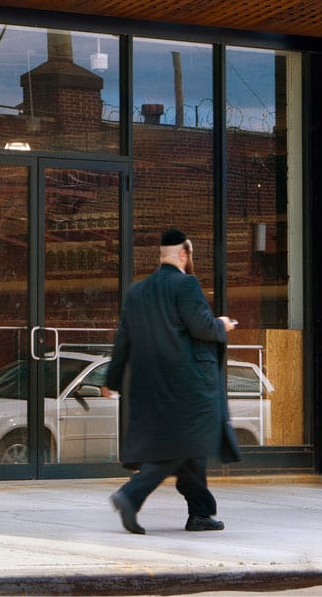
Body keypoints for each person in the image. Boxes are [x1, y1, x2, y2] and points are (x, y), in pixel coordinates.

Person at [104, 229, 240, 535]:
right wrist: (222, 324)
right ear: (184, 254)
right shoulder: (187, 284)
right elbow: (201, 328)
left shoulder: (136, 292)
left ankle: (201, 514)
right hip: (187, 386)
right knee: (183, 445)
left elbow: (122, 340)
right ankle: (131, 494)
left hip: (148, 386)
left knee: (190, 450)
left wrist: (111, 380)